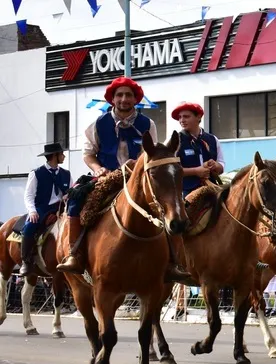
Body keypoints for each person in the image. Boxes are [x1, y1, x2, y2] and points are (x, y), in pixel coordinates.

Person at [57, 77, 190, 282]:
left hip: (137, 178)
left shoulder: (147, 124)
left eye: (128, 95)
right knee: (75, 200)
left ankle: (174, 264)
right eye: (119, 95)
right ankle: (74, 255)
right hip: (105, 176)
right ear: (112, 99)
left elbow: (151, 154)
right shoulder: (98, 124)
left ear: (135, 99)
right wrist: (98, 168)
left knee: (169, 205)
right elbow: (88, 154)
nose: (124, 99)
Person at [21, 142, 71, 276]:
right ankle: (26, 261)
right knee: (29, 226)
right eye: (61, 154)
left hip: (60, 208)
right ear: (54, 156)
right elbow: (28, 195)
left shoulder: (66, 174)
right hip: (41, 208)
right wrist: (32, 211)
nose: (64, 156)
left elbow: (69, 192)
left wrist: (67, 197)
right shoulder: (36, 173)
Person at [171, 102, 225, 196]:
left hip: (212, 190)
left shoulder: (212, 139)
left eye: (186, 116)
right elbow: (171, 170)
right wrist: (196, 171)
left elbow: (221, 166)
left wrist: (215, 165)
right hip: (185, 193)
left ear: (199, 117)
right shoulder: (174, 141)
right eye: (180, 117)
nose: (182, 120)